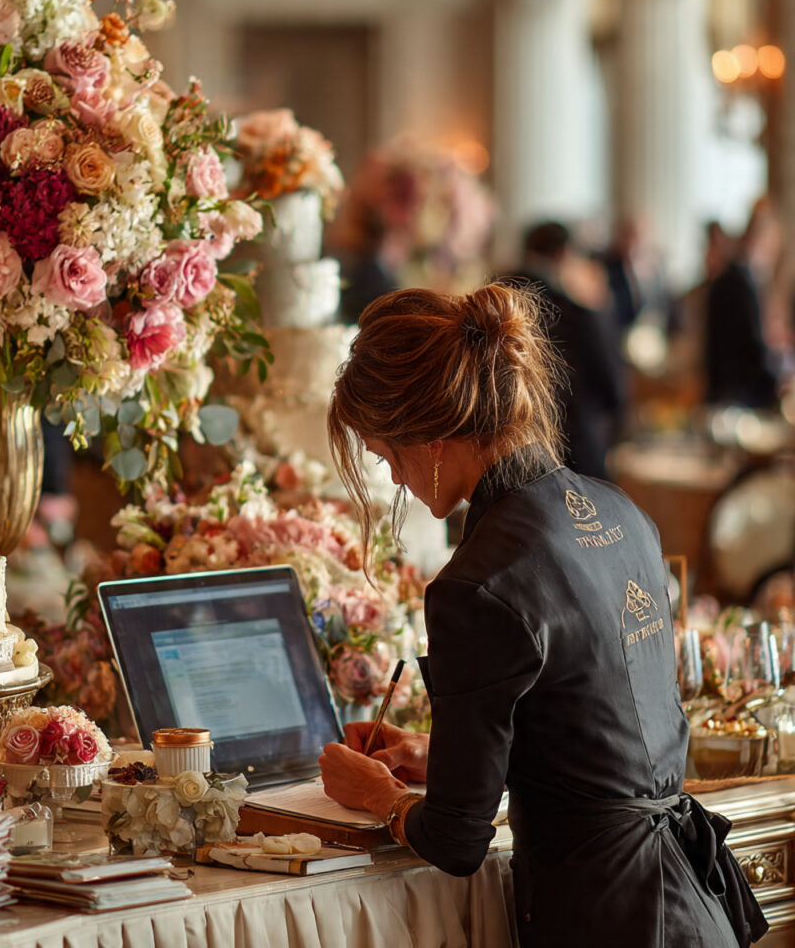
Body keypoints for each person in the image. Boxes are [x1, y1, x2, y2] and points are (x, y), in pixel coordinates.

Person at [319, 283, 766, 947]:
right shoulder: (619, 510)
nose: (393, 482)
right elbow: (593, 739)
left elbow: (456, 839)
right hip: (692, 904)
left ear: (433, 439)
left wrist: (383, 799)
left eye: (388, 457)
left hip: (606, 915)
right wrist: (440, 756)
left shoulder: (477, 583)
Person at [503, 221, 627, 479]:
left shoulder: (492, 302)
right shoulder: (574, 311)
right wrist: (599, 305)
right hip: (572, 449)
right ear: (562, 255)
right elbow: (612, 387)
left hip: (507, 452)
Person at [704, 197, 783, 409]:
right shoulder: (739, 282)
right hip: (736, 396)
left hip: (733, 392)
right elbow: (752, 348)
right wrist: (780, 382)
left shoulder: (739, 278)